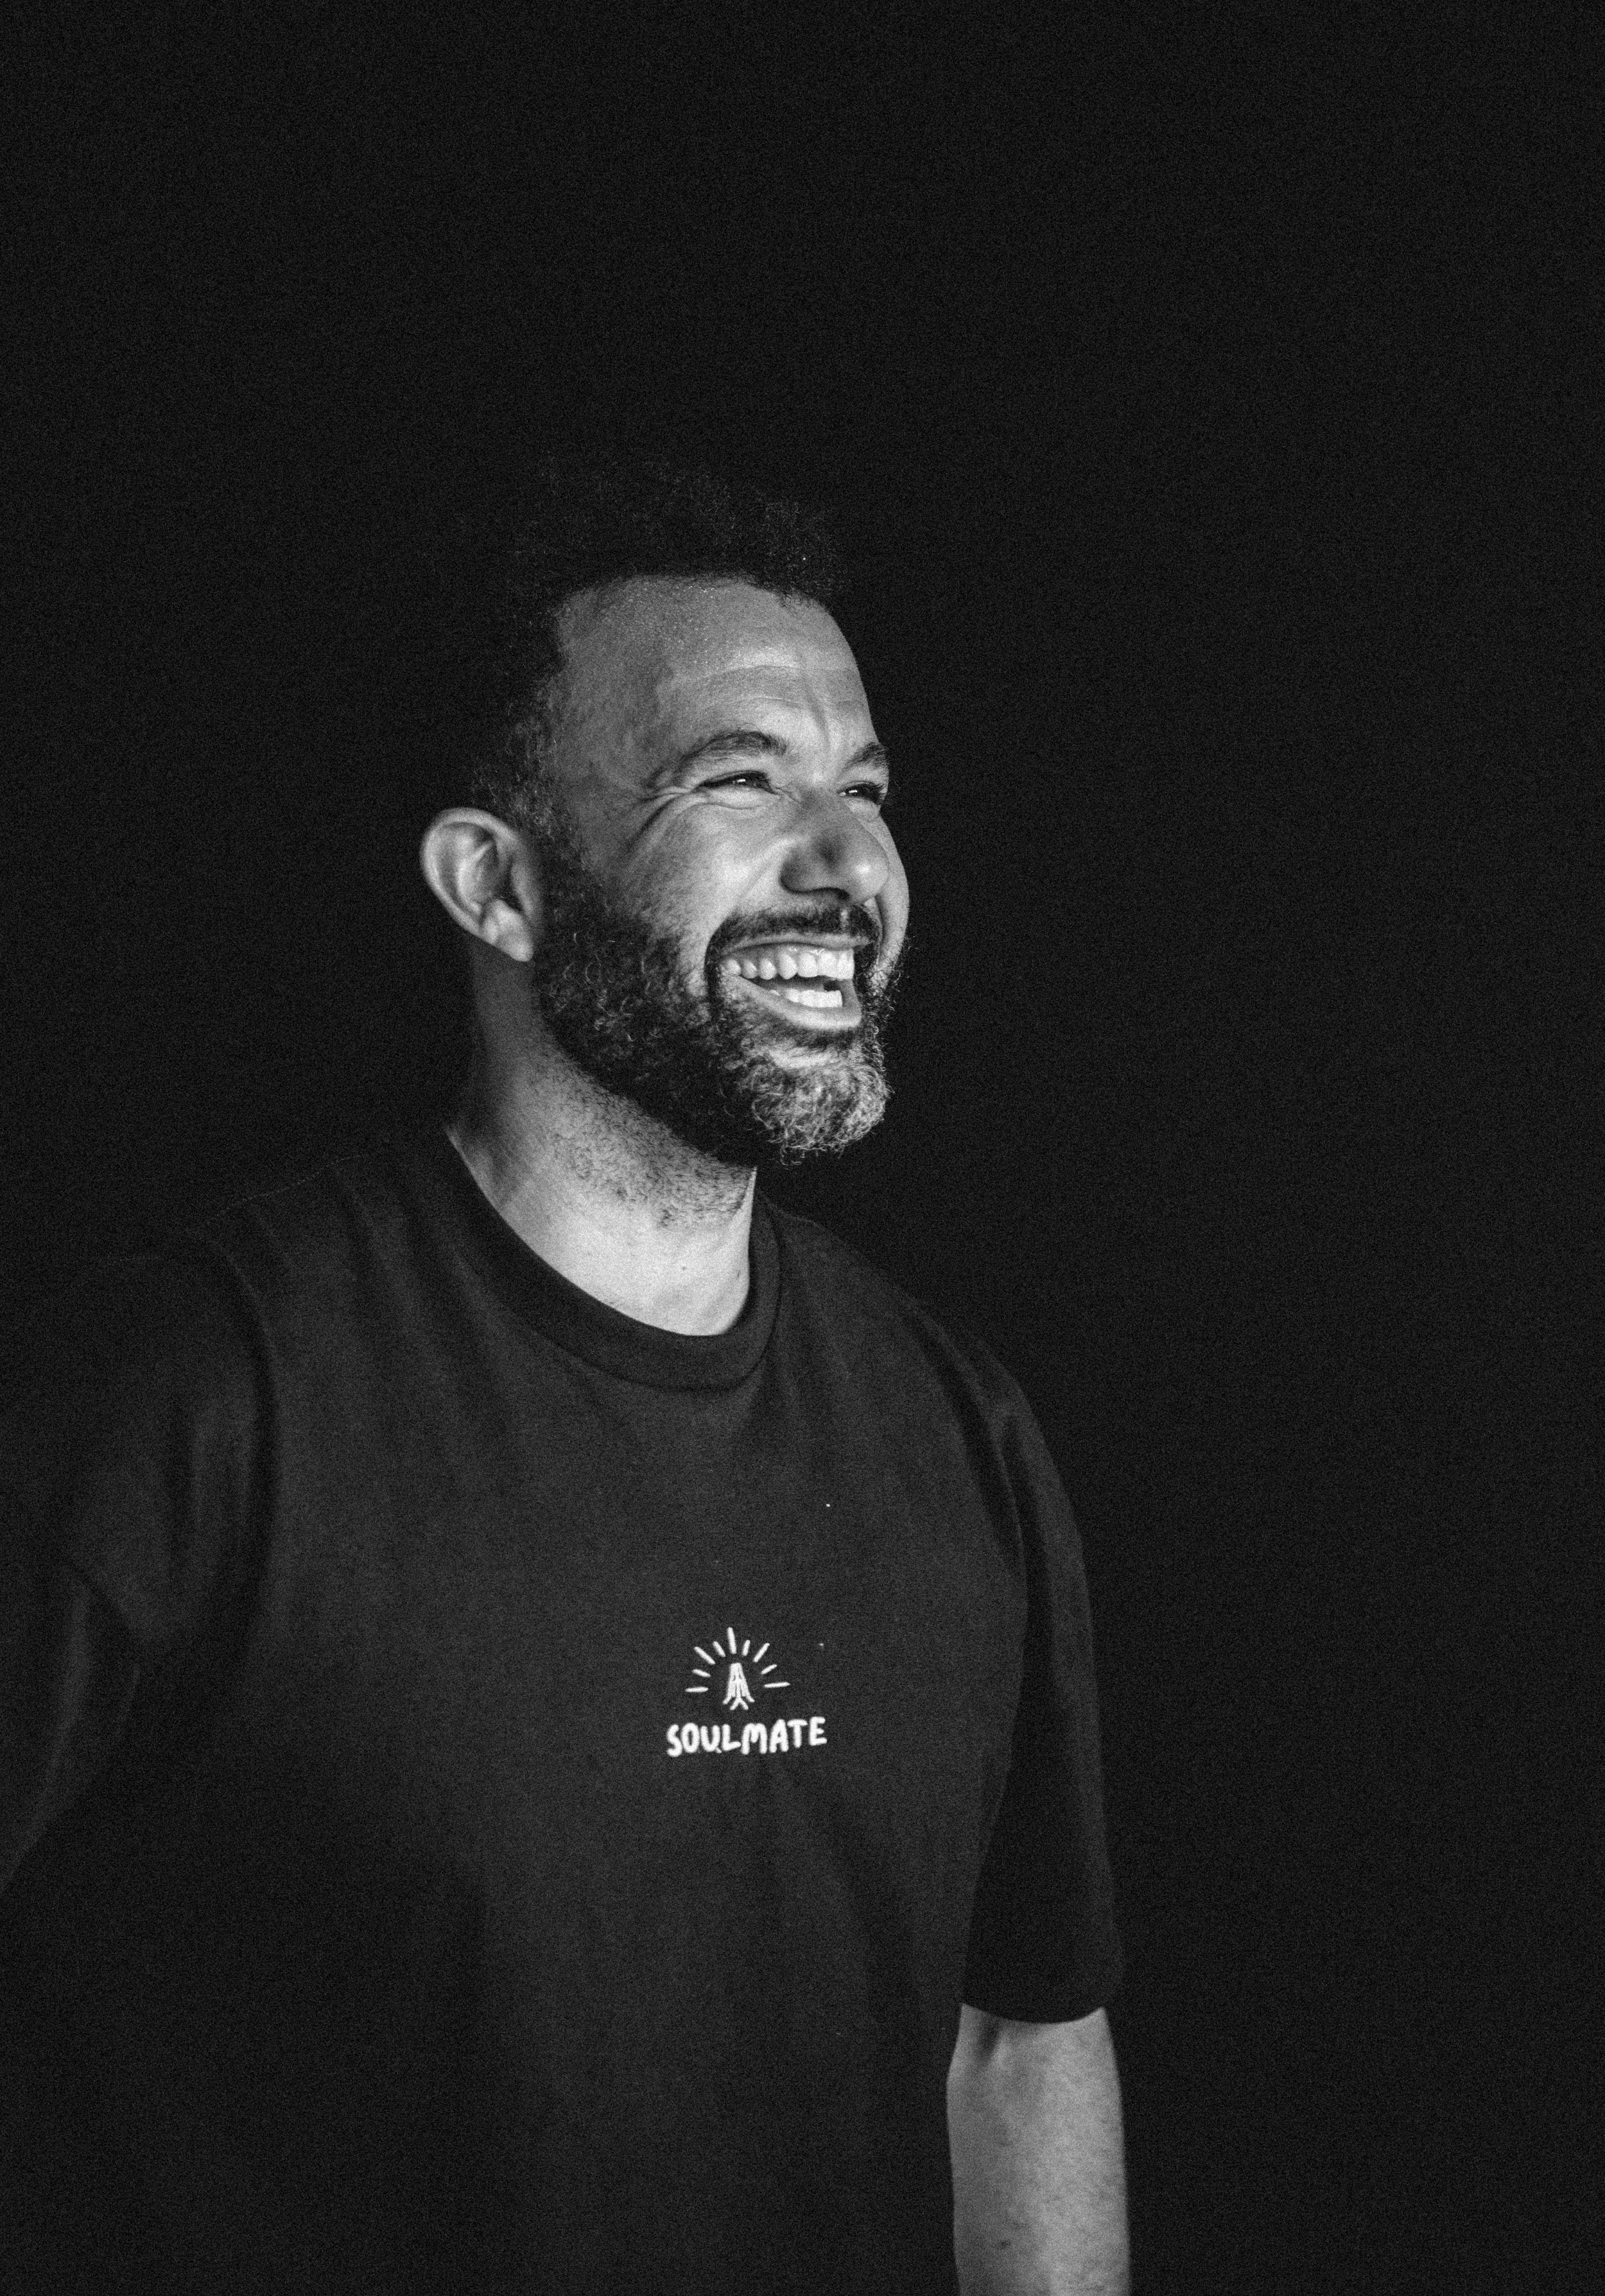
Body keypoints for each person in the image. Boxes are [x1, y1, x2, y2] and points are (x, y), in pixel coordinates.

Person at [0, 456, 1128, 2293]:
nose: (848, 866)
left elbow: (1015, 2039)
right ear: (499, 886)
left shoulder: (953, 1428)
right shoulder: (194, 1406)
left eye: (865, 792)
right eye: (738, 780)